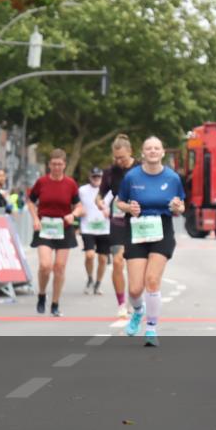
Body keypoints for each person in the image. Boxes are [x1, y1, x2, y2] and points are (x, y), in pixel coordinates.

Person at [116, 136, 185, 346]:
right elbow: (119, 202)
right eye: (149, 148)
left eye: (157, 148)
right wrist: (129, 208)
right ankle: (138, 311)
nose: (153, 151)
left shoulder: (172, 178)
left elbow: (181, 206)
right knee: (135, 289)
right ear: (143, 153)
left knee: (152, 280)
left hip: (162, 229)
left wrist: (177, 207)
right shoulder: (132, 176)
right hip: (137, 230)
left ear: (162, 152)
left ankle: (151, 329)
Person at [26, 149, 83, 317]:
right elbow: (30, 201)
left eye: (60, 164)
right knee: (45, 266)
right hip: (44, 227)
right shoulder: (42, 182)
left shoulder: (70, 184)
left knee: (59, 267)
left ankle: (55, 303)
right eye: (54, 164)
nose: (57, 167)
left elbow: (79, 206)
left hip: (63, 228)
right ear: (49, 165)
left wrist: (73, 215)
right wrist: (35, 218)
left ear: (64, 165)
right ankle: (42, 294)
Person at [97, 133, 138, 318]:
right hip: (118, 221)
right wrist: (99, 202)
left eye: (122, 157)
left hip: (138, 221)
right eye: (116, 157)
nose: (119, 161)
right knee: (117, 261)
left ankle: (134, 299)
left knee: (134, 264)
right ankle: (121, 303)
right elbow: (100, 194)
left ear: (130, 151)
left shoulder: (140, 168)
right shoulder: (110, 172)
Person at [79, 167, 110, 295]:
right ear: (90, 177)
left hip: (105, 229)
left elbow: (116, 204)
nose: (96, 179)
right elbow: (75, 204)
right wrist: (79, 210)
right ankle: (90, 278)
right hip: (87, 227)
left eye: (99, 177)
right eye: (94, 176)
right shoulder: (82, 190)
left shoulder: (108, 190)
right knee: (90, 255)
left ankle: (98, 283)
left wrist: (110, 212)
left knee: (102, 259)